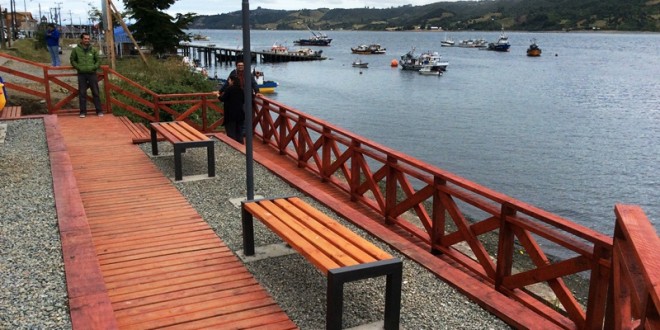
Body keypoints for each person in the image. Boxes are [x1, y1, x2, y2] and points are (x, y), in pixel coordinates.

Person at [70, 33, 103, 118]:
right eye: (85, 39)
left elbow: (98, 60)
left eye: (88, 39)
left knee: (95, 92)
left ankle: (99, 111)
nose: (87, 40)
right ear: (82, 39)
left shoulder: (93, 50)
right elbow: (72, 60)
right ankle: (83, 112)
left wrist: (94, 67)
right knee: (82, 93)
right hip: (82, 74)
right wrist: (78, 67)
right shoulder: (76, 50)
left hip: (92, 73)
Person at [216, 75, 244, 143]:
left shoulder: (229, 89)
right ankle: (240, 143)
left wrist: (217, 95)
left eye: (229, 80)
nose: (228, 81)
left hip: (230, 112)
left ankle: (232, 143)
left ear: (232, 81)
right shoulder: (241, 89)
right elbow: (244, 100)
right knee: (239, 129)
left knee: (231, 129)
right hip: (240, 112)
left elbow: (222, 99)